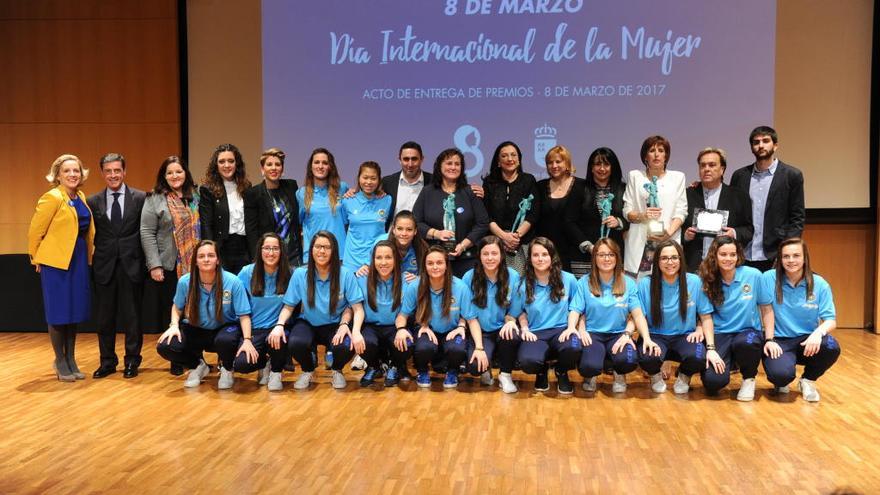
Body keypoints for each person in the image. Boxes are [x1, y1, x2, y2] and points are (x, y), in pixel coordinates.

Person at [28, 154, 95, 381]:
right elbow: (35, 231)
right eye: (67, 171)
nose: (72, 174)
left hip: (77, 260)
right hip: (56, 263)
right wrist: (36, 258)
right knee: (58, 313)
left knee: (73, 311)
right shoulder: (52, 198)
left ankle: (71, 358)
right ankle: (59, 360)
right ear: (57, 175)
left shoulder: (81, 196)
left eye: (76, 170)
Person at [268, 231, 365, 389]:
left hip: (336, 324)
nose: (322, 251)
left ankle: (337, 370)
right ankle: (308, 369)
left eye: (327, 247)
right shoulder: (300, 274)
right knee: (295, 343)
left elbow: (358, 308)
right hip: (308, 322)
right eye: (318, 246)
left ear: (334, 251)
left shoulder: (345, 274)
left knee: (347, 344)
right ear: (311, 249)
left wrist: (353, 329)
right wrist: (279, 325)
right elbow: (289, 306)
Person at [155, 240, 254, 389]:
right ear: (195, 261)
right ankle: (197, 366)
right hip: (196, 330)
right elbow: (177, 306)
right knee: (165, 345)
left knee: (225, 341)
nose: (206, 259)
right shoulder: (185, 282)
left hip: (224, 330)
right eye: (201, 256)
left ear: (218, 260)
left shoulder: (233, 282)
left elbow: (244, 315)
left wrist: (247, 339)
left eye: (210, 255)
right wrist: (174, 325)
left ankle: (227, 369)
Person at [87, 152, 147, 379]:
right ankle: (107, 362)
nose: (113, 175)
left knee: (132, 318)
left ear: (124, 171)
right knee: (105, 318)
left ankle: (132, 361)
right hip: (104, 267)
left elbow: (146, 232)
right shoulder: (92, 201)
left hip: (132, 266)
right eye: (108, 171)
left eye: (117, 170)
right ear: (102, 173)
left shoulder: (141, 198)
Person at [140, 156, 201, 375]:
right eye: (170, 173)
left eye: (179, 172)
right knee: (175, 311)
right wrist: (154, 265)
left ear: (186, 174)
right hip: (169, 265)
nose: (175, 176)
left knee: (196, 312)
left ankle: (197, 358)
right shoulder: (155, 199)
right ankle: (177, 358)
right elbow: (147, 233)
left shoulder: (196, 196)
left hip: (198, 266)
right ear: (163, 176)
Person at [759, 238, 839, 402]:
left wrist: (818, 333)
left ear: (805, 257)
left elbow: (830, 320)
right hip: (780, 340)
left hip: (807, 341)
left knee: (831, 346)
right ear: (780, 259)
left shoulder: (819, 284)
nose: (791, 260)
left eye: (796, 255)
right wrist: (770, 339)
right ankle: (782, 378)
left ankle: (808, 380)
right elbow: (766, 311)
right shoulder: (768, 278)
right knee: (780, 376)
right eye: (786, 256)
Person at [636, 240, 716, 394]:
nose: (670, 262)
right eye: (664, 258)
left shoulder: (694, 281)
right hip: (656, 336)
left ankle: (684, 375)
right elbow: (637, 316)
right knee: (647, 358)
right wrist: (643, 338)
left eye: (674, 257)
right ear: (657, 260)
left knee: (698, 357)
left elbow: (705, 316)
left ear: (681, 259)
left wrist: (702, 333)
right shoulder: (645, 284)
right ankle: (655, 375)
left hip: (685, 336)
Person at [567, 238, 646, 393]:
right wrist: (574, 328)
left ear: (617, 258)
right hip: (593, 334)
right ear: (594, 258)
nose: (606, 259)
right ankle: (591, 375)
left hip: (618, 334)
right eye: (601, 255)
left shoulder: (628, 283)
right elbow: (576, 310)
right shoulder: (584, 282)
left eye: (610, 254)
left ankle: (619, 373)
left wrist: (628, 334)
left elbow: (637, 315)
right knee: (589, 366)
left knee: (629, 360)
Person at [394, 245, 479, 389]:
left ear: (446, 265)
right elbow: (402, 315)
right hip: (426, 329)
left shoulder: (460, 286)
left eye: (439, 263)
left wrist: (479, 347)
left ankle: (453, 371)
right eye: (430, 263)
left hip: (452, 331)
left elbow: (472, 319)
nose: (435, 267)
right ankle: (422, 370)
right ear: (424, 266)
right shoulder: (415, 286)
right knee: (423, 347)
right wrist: (401, 329)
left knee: (457, 349)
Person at [697, 236, 768, 401]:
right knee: (713, 382)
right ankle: (723, 365)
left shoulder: (754, 275)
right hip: (720, 333)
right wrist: (711, 349)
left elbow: (766, 308)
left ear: (738, 256)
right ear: (715, 255)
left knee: (746, 343)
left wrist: (770, 338)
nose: (728, 259)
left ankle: (749, 379)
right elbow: (706, 317)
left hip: (747, 332)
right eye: (723, 254)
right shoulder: (707, 279)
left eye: (732, 254)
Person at [730, 126, 805, 272]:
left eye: (766, 141)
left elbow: (797, 219)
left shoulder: (792, 175)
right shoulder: (740, 176)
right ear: (752, 147)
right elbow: (733, 212)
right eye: (756, 142)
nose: (761, 145)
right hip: (743, 254)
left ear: (775, 145)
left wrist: (786, 251)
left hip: (775, 254)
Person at [515, 237, 582, 394]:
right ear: (530, 258)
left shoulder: (569, 279)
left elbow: (577, 308)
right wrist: (524, 329)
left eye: (544, 254)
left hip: (562, 331)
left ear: (552, 256)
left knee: (574, 347)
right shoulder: (523, 283)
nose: (540, 259)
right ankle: (541, 369)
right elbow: (520, 312)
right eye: (535, 255)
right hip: (536, 333)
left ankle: (561, 371)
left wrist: (572, 327)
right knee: (527, 362)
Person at [413, 148, 489, 277]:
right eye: (449, 163)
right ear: (439, 166)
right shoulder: (428, 192)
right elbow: (415, 222)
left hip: (467, 259)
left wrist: (464, 245)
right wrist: (436, 233)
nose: (453, 167)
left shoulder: (470, 192)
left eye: (457, 164)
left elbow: (483, 223)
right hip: (434, 260)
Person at [461, 236, 523, 393]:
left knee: (512, 334)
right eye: (485, 254)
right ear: (479, 256)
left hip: (502, 327)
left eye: (494, 253)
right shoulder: (469, 277)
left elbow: (515, 308)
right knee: (475, 367)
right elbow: (467, 312)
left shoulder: (513, 276)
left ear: (502, 255)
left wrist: (510, 321)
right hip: (479, 331)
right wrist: (479, 346)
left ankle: (505, 375)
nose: (490, 258)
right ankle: (485, 369)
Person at [622, 135, 688, 278]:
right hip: (640, 241)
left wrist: (668, 233)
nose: (657, 154)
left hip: (667, 239)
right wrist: (642, 216)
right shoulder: (634, 176)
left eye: (661, 150)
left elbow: (681, 211)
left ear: (666, 156)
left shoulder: (678, 177)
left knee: (666, 284)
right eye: (652, 150)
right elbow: (627, 210)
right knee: (639, 289)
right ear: (645, 156)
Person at [235, 233, 292, 392]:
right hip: (254, 329)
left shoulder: (289, 273)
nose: (271, 253)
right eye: (267, 248)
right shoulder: (247, 272)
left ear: (281, 252)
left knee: (279, 338)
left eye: (275, 248)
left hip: (278, 328)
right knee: (242, 364)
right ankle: (263, 363)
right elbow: (233, 295)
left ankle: (276, 371)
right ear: (260, 251)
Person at [682, 147, 753, 273]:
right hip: (693, 266)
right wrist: (685, 236)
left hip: (727, 267)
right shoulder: (686, 195)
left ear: (722, 169)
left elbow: (749, 230)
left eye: (712, 165)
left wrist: (734, 233)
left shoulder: (739, 196)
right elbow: (677, 227)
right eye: (702, 165)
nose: (706, 169)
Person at [563, 147, 628, 277]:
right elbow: (568, 221)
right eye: (598, 164)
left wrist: (619, 222)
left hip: (612, 257)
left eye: (606, 164)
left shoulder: (623, 189)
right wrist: (589, 247)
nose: (602, 168)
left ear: (613, 167)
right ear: (591, 168)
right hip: (584, 258)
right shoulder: (579, 187)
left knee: (612, 294)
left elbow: (631, 218)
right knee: (584, 294)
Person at [356, 240, 413, 387]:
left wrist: (419, 279)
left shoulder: (407, 280)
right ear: (372, 260)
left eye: (388, 257)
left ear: (396, 259)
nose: (383, 262)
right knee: (364, 342)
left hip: (396, 326)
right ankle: (374, 366)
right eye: (378, 257)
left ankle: (395, 366)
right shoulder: (361, 278)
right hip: (370, 327)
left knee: (407, 342)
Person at [481, 141, 538, 273]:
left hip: (521, 242)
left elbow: (533, 213)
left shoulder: (528, 180)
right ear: (498, 161)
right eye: (504, 156)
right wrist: (504, 237)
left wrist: (515, 237)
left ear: (519, 160)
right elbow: (486, 215)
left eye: (513, 155)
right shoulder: (489, 182)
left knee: (520, 285)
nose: (510, 159)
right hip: (495, 243)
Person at [199, 143, 252, 275]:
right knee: (223, 291)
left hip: (244, 248)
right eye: (222, 161)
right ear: (216, 165)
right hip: (221, 248)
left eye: (231, 161)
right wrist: (210, 251)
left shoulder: (246, 186)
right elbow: (206, 224)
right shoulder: (208, 190)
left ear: (237, 164)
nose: (226, 165)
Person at [243, 147, 301, 267]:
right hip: (269, 256)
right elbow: (251, 232)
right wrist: (257, 260)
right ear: (262, 169)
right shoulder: (253, 194)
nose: (274, 168)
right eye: (269, 164)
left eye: (277, 164)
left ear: (282, 169)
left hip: (293, 255)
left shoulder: (291, 186)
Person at [534, 145, 585, 271]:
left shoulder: (582, 185)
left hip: (575, 252)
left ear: (567, 163)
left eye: (558, 161)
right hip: (546, 253)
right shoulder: (539, 187)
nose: (554, 165)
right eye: (550, 163)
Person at [298, 148, 350, 263]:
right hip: (313, 257)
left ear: (330, 167)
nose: (320, 166)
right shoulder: (302, 193)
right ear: (310, 167)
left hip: (339, 255)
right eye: (316, 162)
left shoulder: (342, 188)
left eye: (325, 163)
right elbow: (298, 225)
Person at [341, 161, 393, 272]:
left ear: (379, 180)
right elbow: (344, 226)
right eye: (365, 177)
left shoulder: (387, 200)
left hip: (377, 259)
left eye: (373, 178)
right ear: (359, 178)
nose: (369, 182)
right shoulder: (347, 200)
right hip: (352, 260)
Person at [360, 210, 426, 281]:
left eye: (409, 229)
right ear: (393, 229)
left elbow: (428, 276)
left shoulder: (422, 248)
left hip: (409, 289)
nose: (404, 233)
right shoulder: (382, 242)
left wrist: (419, 280)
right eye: (399, 229)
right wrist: (365, 268)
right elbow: (368, 265)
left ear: (415, 231)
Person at [381, 141, 432, 221]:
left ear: (422, 159)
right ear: (399, 160)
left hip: (423, 233)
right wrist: (354, 192)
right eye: (406, 159)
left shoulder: (433, 182)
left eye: (414, 159)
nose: (410, 164)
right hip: (393, 233)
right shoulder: (387, 182)